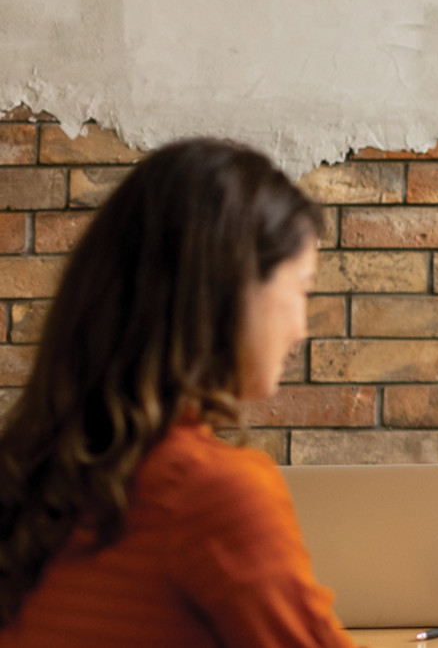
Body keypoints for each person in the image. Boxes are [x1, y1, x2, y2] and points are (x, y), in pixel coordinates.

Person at [0, 139, 353, 646]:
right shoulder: (211, 494)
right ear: (233, 290)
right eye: (303, 287)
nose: (301, 328)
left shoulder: (26, 480)